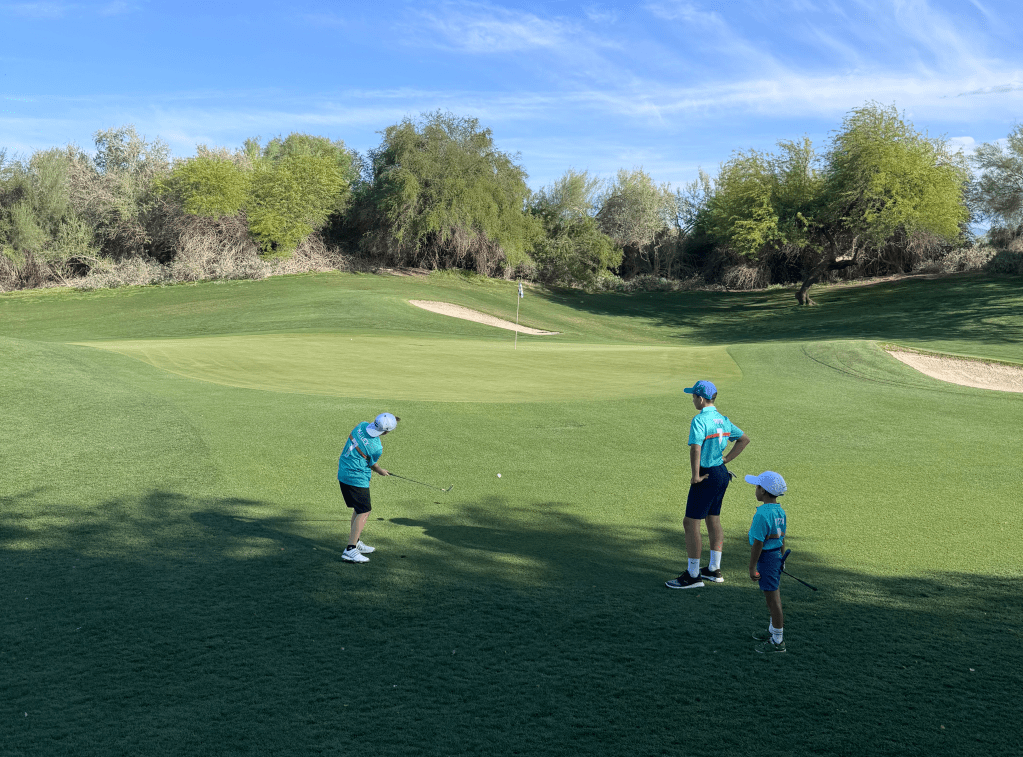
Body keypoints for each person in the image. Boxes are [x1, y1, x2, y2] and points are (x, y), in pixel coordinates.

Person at [666, 380, 750, 589]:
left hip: (706, 474)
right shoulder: (723, 420)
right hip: (721, 474)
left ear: (701, 399)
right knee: (713, 519)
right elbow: (744, 439)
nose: (693, 399)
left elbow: (696, 448)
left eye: (694, 396)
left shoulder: (700, 420)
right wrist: (726, 460)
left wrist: (695, 476)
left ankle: (693, 575)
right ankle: (714, 569)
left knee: (690, 522)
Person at [338, 412, 399, 563]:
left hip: (344, 472)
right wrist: (381, 471)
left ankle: (356, 541)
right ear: (385, 432)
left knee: (359, 509)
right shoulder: (376, 447)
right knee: (365, 511)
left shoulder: (362, 425)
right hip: (356, 478)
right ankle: (350, 549)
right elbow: (373, 464)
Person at [745, 470, 788, 654]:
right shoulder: (780, 511)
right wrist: (782, 556)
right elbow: (782, 536)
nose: (755, 489)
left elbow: (758, 543)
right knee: (771, 598)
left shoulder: (762, 515)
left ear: (763, 491)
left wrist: (752, 566)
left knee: (773, 600)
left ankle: (778, 640)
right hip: (775, 557)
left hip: (767, 559)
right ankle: (772, 631)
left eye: (757, 486)